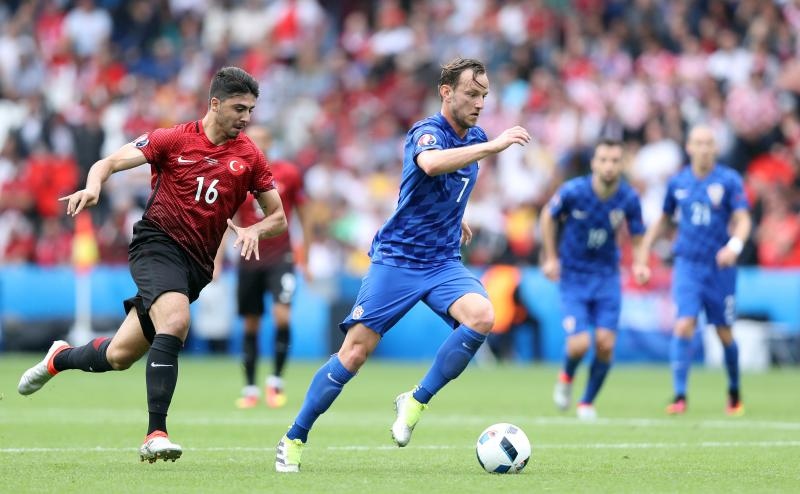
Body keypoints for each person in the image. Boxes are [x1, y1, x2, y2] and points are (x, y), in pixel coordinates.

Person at [17, 67, 288, 462]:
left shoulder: (249, 156)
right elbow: (107, 163)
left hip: (192, 269)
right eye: (238, 108)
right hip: (156, 244)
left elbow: (278, 216)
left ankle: (59, 357)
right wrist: (93, 187)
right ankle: (155, 433)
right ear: (214, 104)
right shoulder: (172, 138)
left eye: (250, 110)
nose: (246, 118)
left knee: (118, 356)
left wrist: (255, 231)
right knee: (176, 323)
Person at [274, 57, 531, 473]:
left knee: (482, 316)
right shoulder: (427, 133)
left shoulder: (475, 135)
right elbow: (430, 165)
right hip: (398, 260)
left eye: (484, 95)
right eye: (471, 93)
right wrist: (493, 145)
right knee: (354, 354)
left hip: (443, 261)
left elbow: (445, 184)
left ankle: (415, 399)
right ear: (446, 92)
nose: (479, 103)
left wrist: (456, 214)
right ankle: (295, 436)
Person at [638, 125, 751, 416]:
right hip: (688, 264)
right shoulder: (678, 182)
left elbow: (743, 219)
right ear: (688, 147)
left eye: (708, 143)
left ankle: (734, 391)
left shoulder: (728, 180)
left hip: (719, 267)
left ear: (715, 148)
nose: (703, 148)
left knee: (724, 333)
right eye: (698, 143)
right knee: (683, 324)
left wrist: (734, 246)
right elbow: (663, 219)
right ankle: (679, 395)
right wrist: (643, 250)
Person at [540, 138, 649, 420]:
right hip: (573, 276)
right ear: (594, 163)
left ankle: (587, 401)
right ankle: (566, 377)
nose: (609, 166)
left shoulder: (628, 198)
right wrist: (550, 257)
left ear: (622, 164)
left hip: (607, 277)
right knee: (579, 345)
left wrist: (639, 263)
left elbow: (638, 235)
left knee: (605, 344)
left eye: (615, 161)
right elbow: (548, 217)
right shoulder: (574, 191)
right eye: (604, 160)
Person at [231, 125, 311, 409]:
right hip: (249, 257)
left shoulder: (288, 173)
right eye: (253, 140)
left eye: (263, 140)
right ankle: (250, 388)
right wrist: (214, 260)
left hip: (282, 257)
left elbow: (305, 215)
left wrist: (306, 258)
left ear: (271, 144)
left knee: (282, 317)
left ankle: (275, 382)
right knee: (251, 322)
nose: (259, 145)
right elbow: (224, 218)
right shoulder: (236, 174)